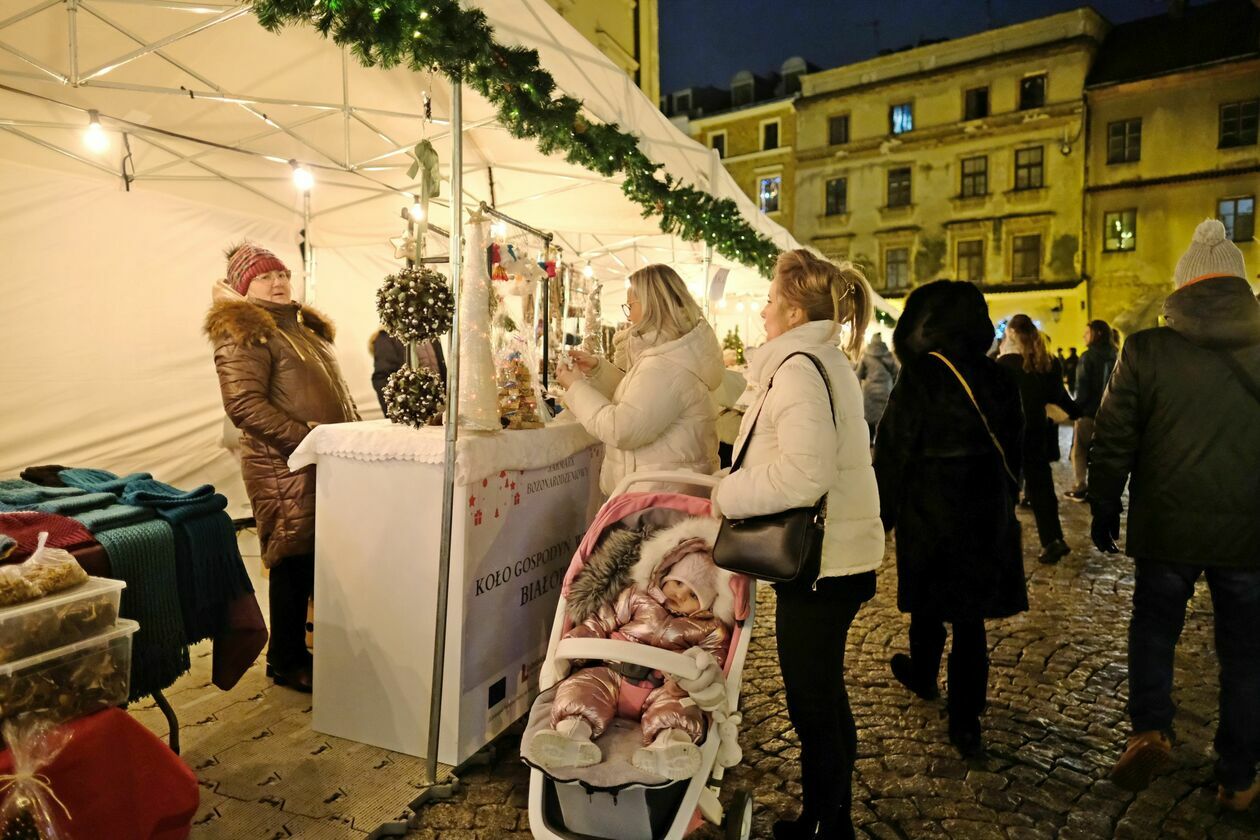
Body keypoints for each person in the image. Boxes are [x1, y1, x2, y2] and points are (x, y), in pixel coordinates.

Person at [712, 250, 884, 840]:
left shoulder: (799, 367)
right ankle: (831, 818)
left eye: (766, 300)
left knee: (814, 701)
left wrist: (727, 494)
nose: (759, 310)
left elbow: (804, 474)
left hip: (821, 563)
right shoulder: (816, 360)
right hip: (836, 556)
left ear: (790, 309)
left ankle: (825, 823)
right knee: (824, 695)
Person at [1090, 219, 1260, 809]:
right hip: (1250, 528)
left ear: (1183, 290)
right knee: (1245, 652)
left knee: (1155, 629)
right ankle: (1238, 776)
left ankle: (1151, 728)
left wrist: (1106, 503)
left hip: (1167, 526)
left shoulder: (1145, 349)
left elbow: (1113, 438)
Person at [874, 281, 1026, 759]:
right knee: (970, 620)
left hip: (930, 514)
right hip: (983, 514)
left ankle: (923, 672)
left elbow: (892, 452)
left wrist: (882, 515)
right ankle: (966, 720)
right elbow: (1019, 446)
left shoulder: (920, 377)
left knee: (927, 602)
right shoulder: (999, 377)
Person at [205, 242, 359, 693]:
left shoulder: (297, 327)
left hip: (319, 459)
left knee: (318, 558)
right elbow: (243, 404)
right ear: (243, 288)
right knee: (292, 559)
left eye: (282, 274)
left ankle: (309, 648)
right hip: (283, 464)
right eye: (264, 277)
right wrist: (306, 437)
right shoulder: (243, 330)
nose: (278, 282)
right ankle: (285, 660)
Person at [524, 518, 736, 780]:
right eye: (678, 583)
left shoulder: (708, 628)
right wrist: (581, 641)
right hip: (611, 671)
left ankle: (668, 747)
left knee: (680, 708)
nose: (681, 595)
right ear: (663, 574)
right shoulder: (637, 597)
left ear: (709, 603)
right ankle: (571, 736)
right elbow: (603, 619)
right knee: (584, 688)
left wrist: (694, 675)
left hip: (664, 686)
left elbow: (712, 660)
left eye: (694, 595)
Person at [555, 264, 724, 495]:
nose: (629, 316)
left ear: (650, 305)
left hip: (656, 503)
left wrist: (575, 387)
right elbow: (642, 404)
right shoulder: (674, 355)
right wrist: (597, 371)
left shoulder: (666, 366)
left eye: (630, 306)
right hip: (665, 493)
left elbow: (621, 429)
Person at [997, 315, 1078, 564]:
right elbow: (1060, 397)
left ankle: (1003, 544)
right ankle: (1053, 539)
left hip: (1008, 432)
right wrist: (1081, 411)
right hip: (1036, 431)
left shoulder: (1004, 363)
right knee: (1042, 486)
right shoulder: (1048, 362)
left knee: (1006, 486)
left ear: (1010, 334)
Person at [1064, 320, 1117, 502]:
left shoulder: (1088, 357)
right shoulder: (1115, 354)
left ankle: (1080, 486)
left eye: (1087, 333)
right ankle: (1102, 487)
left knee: (1079, 450)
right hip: (1110, 413)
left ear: (1097, 334)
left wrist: (1074, 409)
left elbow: (1083, 388)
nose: (1084, 336)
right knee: (1102, 452)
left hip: (1088, 412)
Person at [369, 329, 445, 418]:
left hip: (440, 411)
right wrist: (396, 413)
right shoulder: (386, 337)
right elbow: (381, 378)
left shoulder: (431, 333)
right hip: (412, 414)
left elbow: (442, 370)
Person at [856, 331, 898, 441]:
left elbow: (859, 374)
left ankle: (869, 440)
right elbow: (896, 373)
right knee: (884, 416)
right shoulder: (888, 355)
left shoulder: (866, 356)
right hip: (886, 389)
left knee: (870, 417)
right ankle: (881, 441)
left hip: (870, 390)